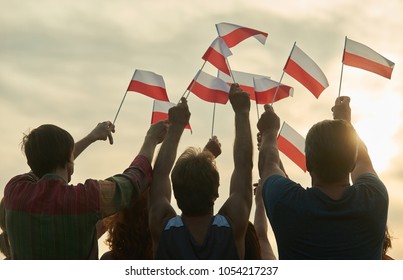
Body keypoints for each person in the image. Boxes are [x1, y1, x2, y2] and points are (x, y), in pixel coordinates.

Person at [3, 120, 167, 259]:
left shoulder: (15, 190)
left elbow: (45, 162)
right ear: (69, 158)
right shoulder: (85, 199)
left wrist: (91, 137)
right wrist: (151, 139)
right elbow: (133, 179)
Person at [257, 96, 388, 259]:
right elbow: (363, 160)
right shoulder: (375, 198)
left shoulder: (286, 203)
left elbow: (268, 164)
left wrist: (269, 132)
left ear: (308, 164)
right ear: (352, 163)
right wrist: (345, 122)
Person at [149, 84, 253, 259]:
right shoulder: (232, 225)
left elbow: (159, 175)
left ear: (175, 192)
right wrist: (242, 113)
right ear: (216, 190)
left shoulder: (162, 228)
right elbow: (244, 167)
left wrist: (176, 127)